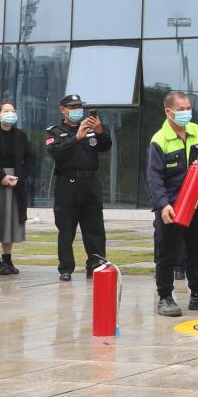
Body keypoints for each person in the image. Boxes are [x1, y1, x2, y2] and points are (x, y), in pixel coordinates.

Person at [146, 91, 198, 318]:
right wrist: (162, 205)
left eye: (188, 108)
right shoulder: (159, 140)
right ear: (168, 112)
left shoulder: (194, 130)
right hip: (170, 206)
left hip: (193, 201)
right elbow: (153, 178)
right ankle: (165, 297)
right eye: (180, 109)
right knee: (167, 253)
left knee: (197, 248)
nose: (186, 113)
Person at [45, 93, 109, 282]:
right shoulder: (55, 131)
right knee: (66, 229)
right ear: (63, 110)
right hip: (68, 184)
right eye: (72, 107)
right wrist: (76, 138)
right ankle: (66, 268)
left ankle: (96, 264)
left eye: (79, 107)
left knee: (94, 228)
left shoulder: (90, 128)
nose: (77, 110)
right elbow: (55, 152)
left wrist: (99, 132)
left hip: (90, 183)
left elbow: (105, 145)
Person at [0, 100, 31, 275]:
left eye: (13, 110)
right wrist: (2, 176)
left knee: (11, 220)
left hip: (16, 181)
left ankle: (8, 258)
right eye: (7, 110)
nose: (11, 113)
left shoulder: (21, 135)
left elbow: (30, 158)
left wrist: (21, 176)